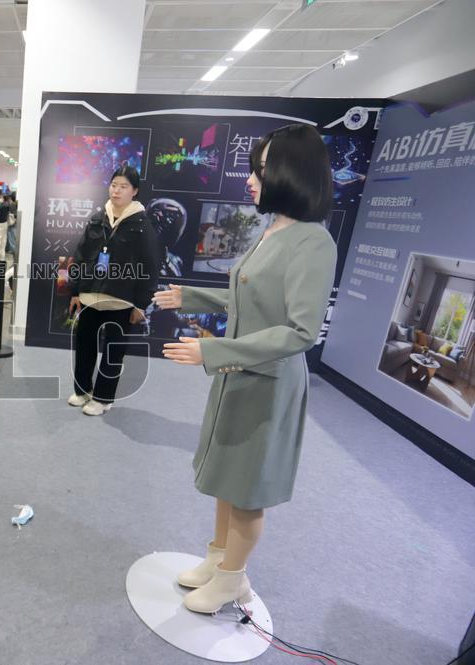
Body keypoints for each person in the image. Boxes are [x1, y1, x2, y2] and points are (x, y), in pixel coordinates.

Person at [154, 124, 337, 614]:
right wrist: (191, 296)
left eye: (260, 171)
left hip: (267, 381)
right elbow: (248, 296)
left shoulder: (312, 242)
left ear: (288, 173)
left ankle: (232, 578)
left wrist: (212, 352)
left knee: (248, 487)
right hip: (240, 371)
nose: (250, 180)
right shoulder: (273, 228)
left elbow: (300, 331)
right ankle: (218, 559)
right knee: (225, 473)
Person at [67, 166, 161, 416]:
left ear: (135, 191)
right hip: (89, 297)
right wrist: (75, 291)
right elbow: (80, 255)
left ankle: (103, 398)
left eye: (123, 186)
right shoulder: (97, 218)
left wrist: (141, 304)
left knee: (113, 352)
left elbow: (151, 267)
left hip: (121, 302)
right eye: (113, 185)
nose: (116, 190)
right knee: (84, 346)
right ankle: (82, 390)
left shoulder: (142, 225)